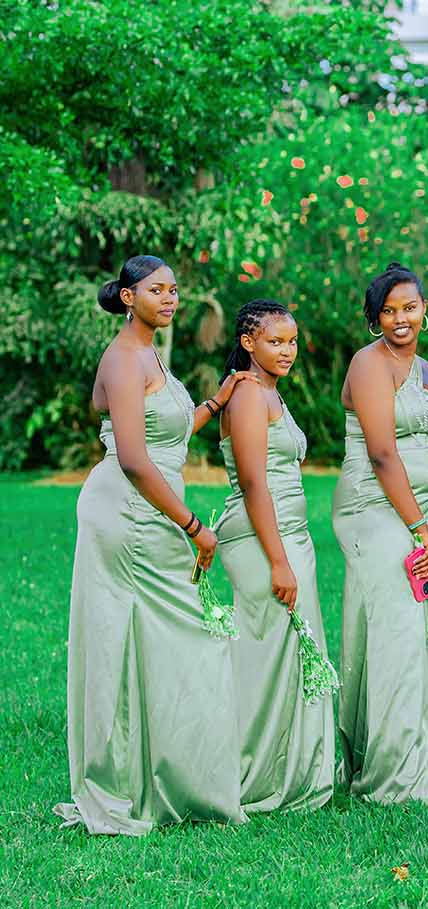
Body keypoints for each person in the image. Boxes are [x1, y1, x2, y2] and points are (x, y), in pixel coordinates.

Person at [59, 255, 254, 834]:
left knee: (163, 639)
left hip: (153, 509)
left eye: (173, 290)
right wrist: (194, 527)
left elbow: (166, 434)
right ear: (128, 297)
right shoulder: (123, 358)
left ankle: (166, 775)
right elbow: (134, 458)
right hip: (128, 512)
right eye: (156, 290)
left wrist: (216, 401)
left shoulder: (149, 354)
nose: (169, 299)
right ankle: (125, 782)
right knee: (141, 638)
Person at [333, 262, 428, 803]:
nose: (401, 318)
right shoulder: (369, 363)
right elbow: (383, 454)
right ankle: (392, 776)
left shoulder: (426, 368)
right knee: (396, 630)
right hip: (377, 507)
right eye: (389, 311)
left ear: (425, 310)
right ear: (374, 318)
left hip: (418, 503)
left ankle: (406, 751)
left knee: (408, 632)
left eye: (409, 307)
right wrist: (420, 529)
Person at [216, 298, 334, 813]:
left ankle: (292, 766)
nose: (287, 351)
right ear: (248, 343)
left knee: (289, 652)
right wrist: (279, 561)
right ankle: (249, 772)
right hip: (263, 540)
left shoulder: (269, 392)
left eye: (292, 342)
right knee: (264, 657)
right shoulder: (247, 396)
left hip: (289, 535)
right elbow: (252, 483)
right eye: (275, 341)